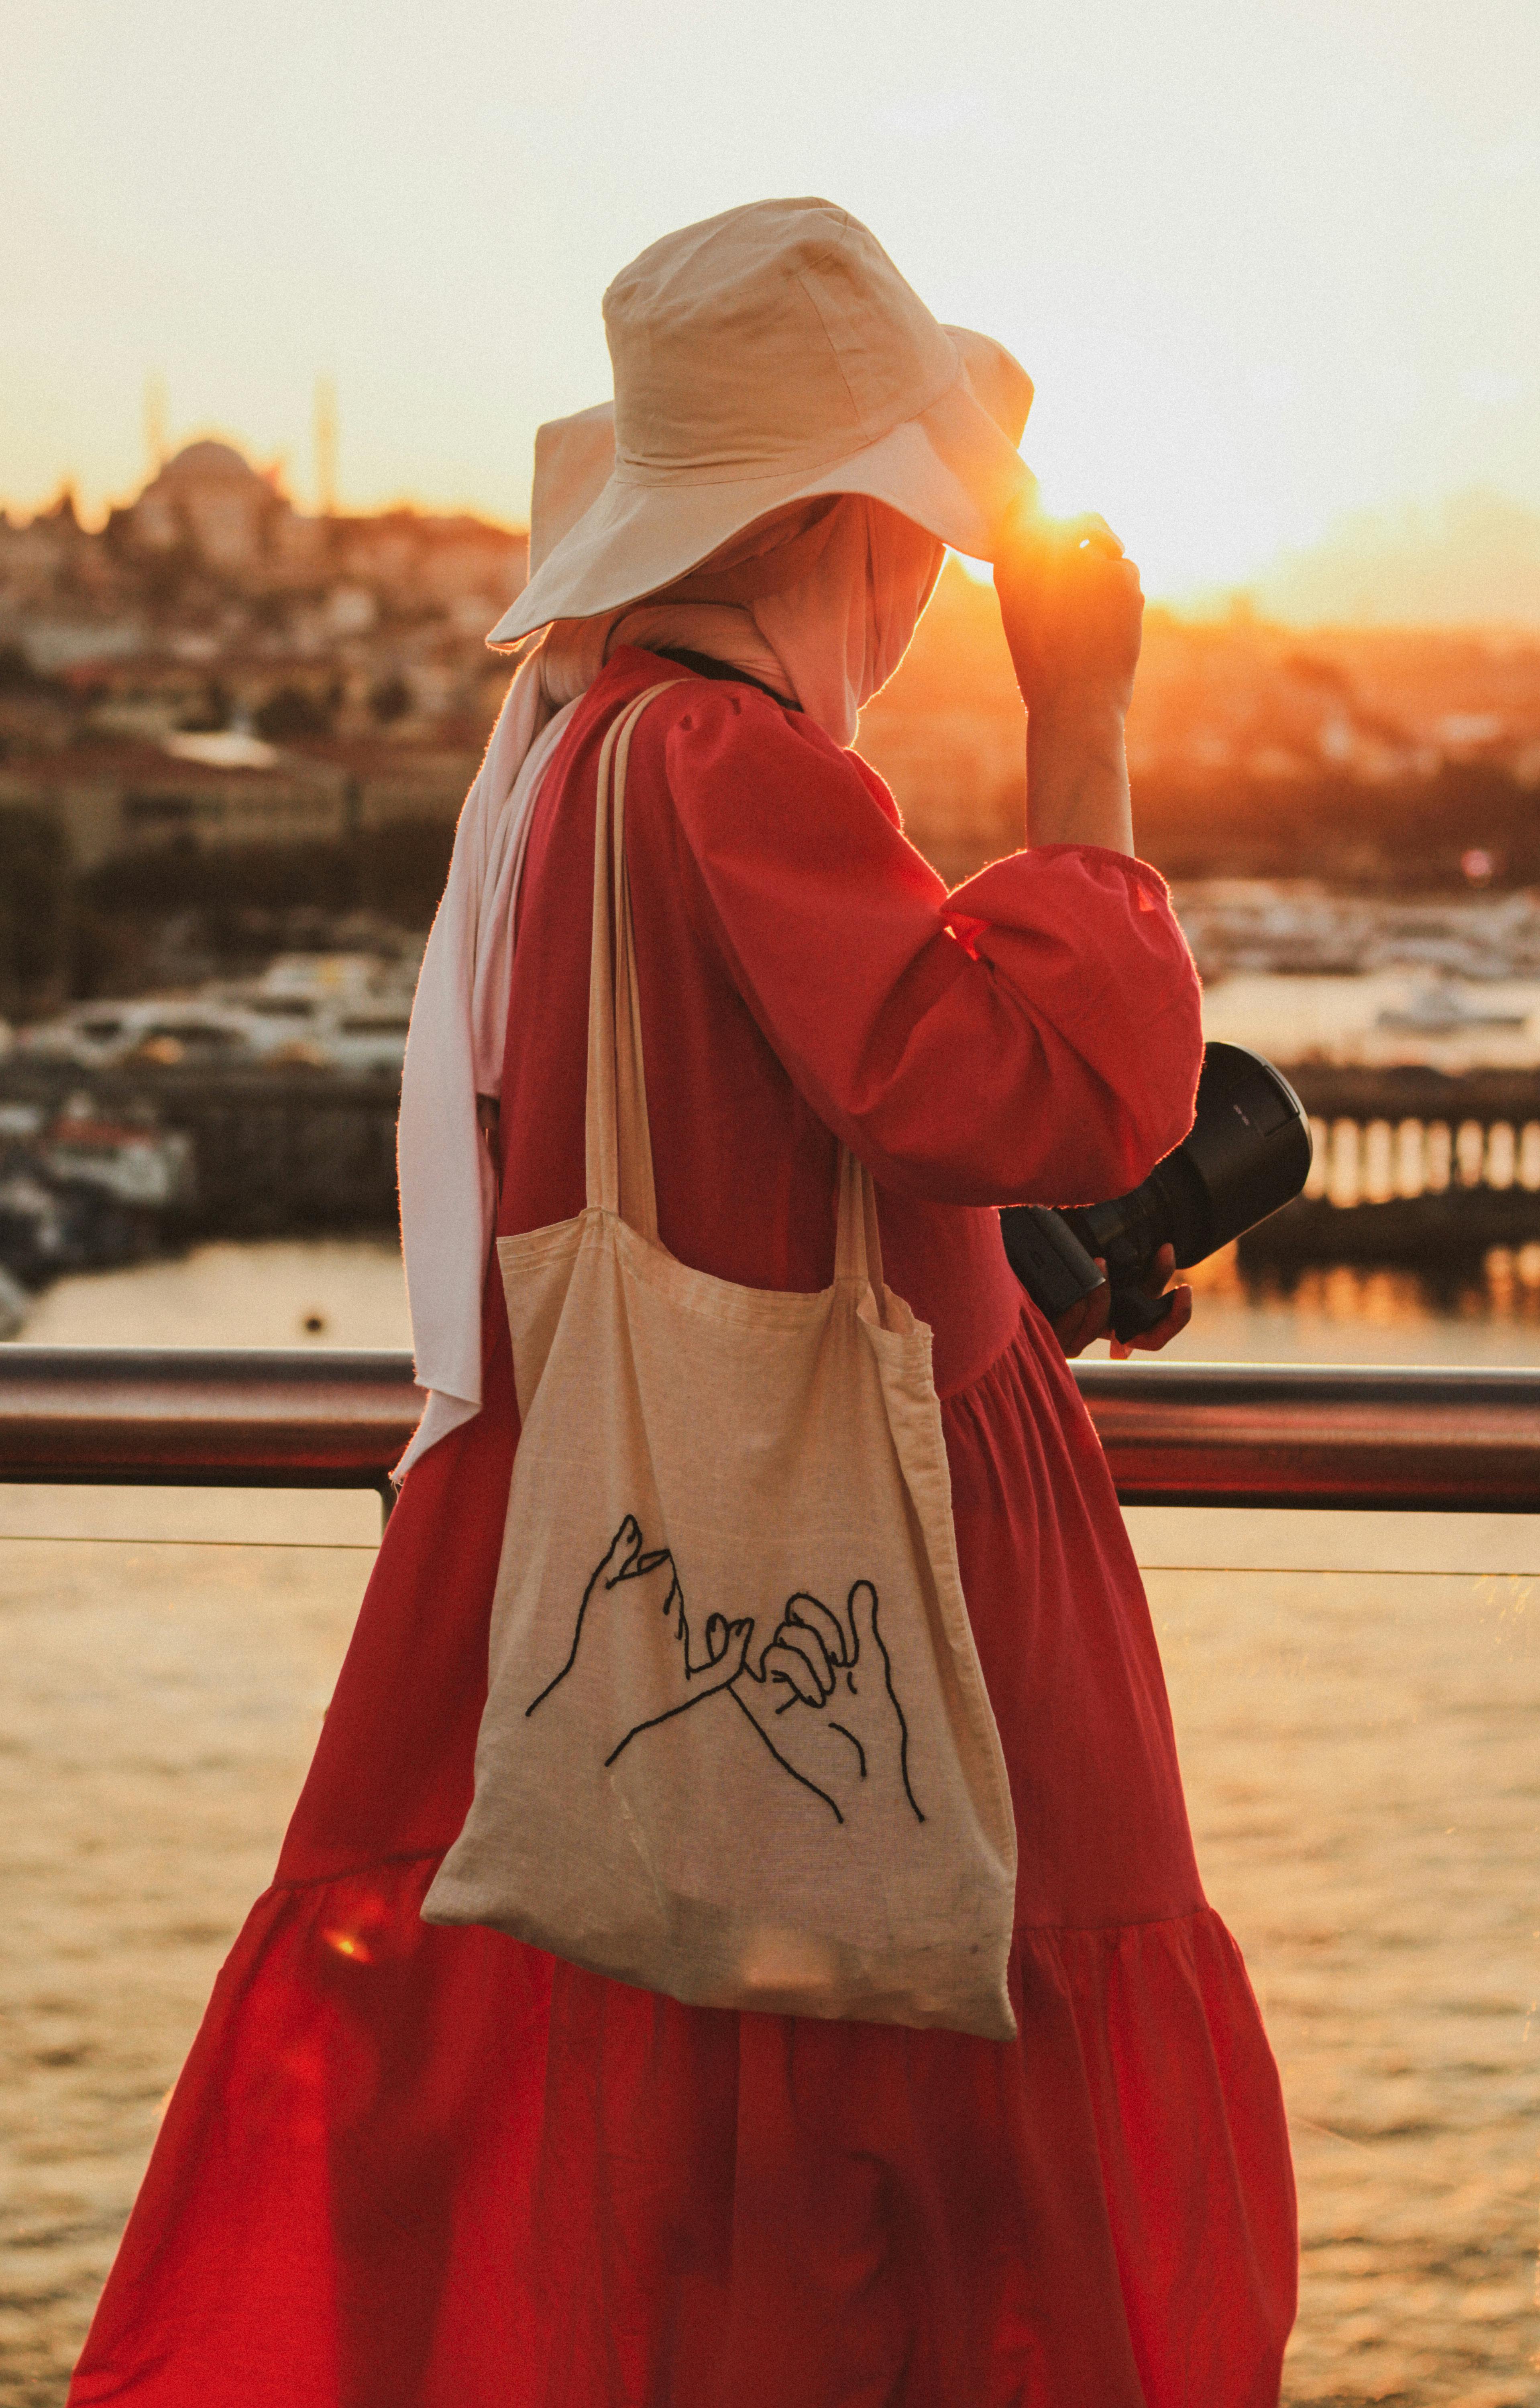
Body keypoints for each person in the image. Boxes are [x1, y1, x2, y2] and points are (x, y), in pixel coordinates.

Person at [70, 199, 1296, 2408]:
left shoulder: (584, 750)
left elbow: (777, 1150)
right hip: (877, 1566)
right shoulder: (728, 769)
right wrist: (1088, 728)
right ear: (841, 523)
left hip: (684, 1527)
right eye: (919, 530)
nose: (928, 593)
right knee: (966, 2172)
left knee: (744, 2159)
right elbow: (1055, 1082)